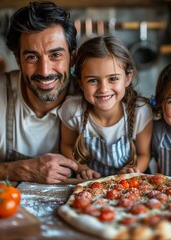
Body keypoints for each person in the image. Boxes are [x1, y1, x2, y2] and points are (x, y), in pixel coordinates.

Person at [0, 1, 79, 184]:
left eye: (55, 55)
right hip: (8, 206)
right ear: (18, 60)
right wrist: (18, 170)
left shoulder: (95, 97)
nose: (44, 71)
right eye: (32, 57)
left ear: (73, 57)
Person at [59, 35, 153, 180]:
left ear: (127, 78)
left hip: (128, 187)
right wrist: (82, 168)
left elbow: (144, 154)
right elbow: (67, 145)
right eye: (92, 80)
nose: (103, 89)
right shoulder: (72, 109)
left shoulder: (141, 111)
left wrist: (133, 171)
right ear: (80, 82)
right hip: (89, 184)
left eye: (113, 79)